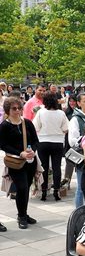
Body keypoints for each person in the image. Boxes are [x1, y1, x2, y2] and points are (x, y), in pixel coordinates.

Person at [0, 97, 39, 229]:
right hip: (15, 162)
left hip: (30, 161)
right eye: (14, 108)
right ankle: (21, 216)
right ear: (7, 110)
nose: (17, 111)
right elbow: (3, 145)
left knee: (26, 188)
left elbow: (35, 140)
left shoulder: (27, 123)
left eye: (19, 108)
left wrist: (32, 150)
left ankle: (24, 213)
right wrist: (19, 152)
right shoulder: (4, 126)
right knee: (21, 188)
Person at [33, 91, 69, 201]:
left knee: (44, 167)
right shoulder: (61, 113)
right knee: (56, 167)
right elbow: (66, 129)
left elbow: (36, 127)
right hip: (57, 142)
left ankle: (44, 191)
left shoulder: (40, 112)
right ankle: (56, 191)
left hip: (43, 142)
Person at [68, 93, 85, 207]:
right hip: (83, 157)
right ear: (79, 103)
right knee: (81, 187)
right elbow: (72, 141)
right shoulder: (75, 119)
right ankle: (78, 214)